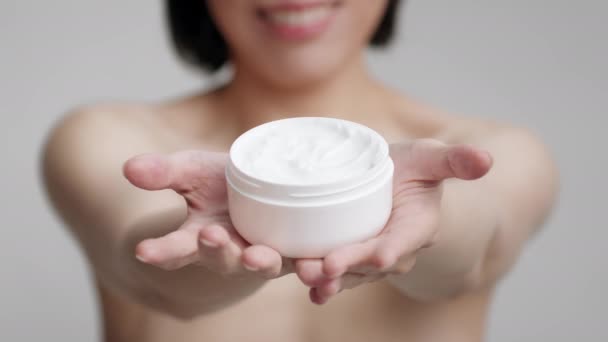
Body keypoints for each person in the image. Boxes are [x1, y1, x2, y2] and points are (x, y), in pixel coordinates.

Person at [42, 1, 559, 341]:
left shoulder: (500, 149)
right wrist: (210, 248)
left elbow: (471, 259)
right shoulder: (104, 138)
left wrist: (427, 214)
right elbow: (154, 280)